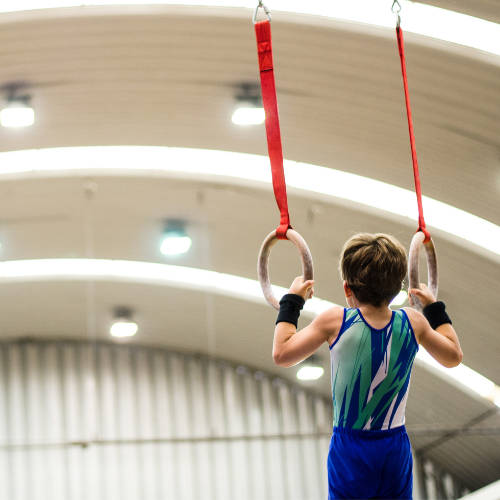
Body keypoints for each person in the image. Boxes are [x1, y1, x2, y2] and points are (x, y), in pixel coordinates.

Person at [272, 233, 462, 500]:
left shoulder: (336, 321)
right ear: (399, 289)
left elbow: (281, 352)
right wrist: (432, 307)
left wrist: (292, 301)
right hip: (394, 447)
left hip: (351, 448)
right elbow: (454, 356)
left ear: (347, 288)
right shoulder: (412, 321)